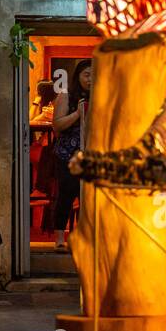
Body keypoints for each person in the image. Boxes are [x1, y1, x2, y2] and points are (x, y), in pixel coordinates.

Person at [50, 59, 93, 251]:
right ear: (78, 76)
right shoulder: (66, 96)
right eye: (87, 74)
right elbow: (57, 125)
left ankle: (86, 237)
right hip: (68, 154)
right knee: (66, 194)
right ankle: (60, 237)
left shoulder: (102, 97)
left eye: (94, 74)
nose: (91, 79)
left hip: (92, 155)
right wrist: (78, 113)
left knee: (89, 198)